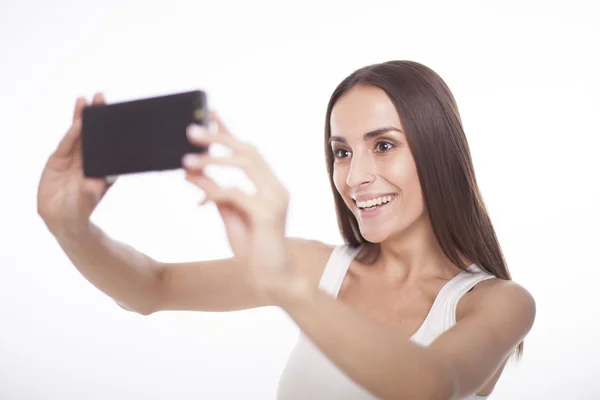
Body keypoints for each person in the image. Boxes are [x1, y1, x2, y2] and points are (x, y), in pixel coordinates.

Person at [37, 60, 536, 400]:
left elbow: (428, 384)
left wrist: (286, 288)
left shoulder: (498, 303)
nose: (355, 176)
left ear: (438, 148)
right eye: (342, 151)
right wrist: (71, 229)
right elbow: (152, 288)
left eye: (383, 145)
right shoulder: (314, 267)